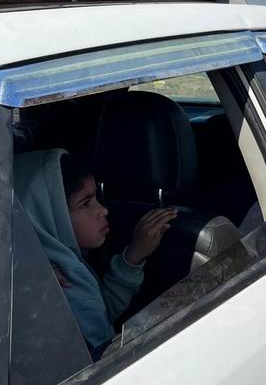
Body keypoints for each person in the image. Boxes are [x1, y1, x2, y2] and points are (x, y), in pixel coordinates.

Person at [14, 149, 177, 356]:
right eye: (85, 203)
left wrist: (133, 257)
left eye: (96, 199)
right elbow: (103, 355)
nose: (103, 210)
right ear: (47, 214)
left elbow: (101, 311)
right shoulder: (61, 287)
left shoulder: (43, 268)